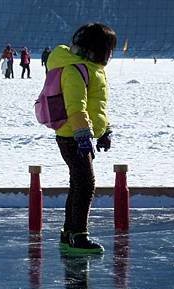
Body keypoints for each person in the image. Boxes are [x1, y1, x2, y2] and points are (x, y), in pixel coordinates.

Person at [47, 23, 117, 254]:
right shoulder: (75, 69)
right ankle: (78, 235)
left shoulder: (91, 68)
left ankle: (69, 233)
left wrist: (104, 130)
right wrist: (83, 136)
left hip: (78, 135)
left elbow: (97, 106)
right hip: (72, 136)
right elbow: (76, 106)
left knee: (78, 184)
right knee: (86, 185)